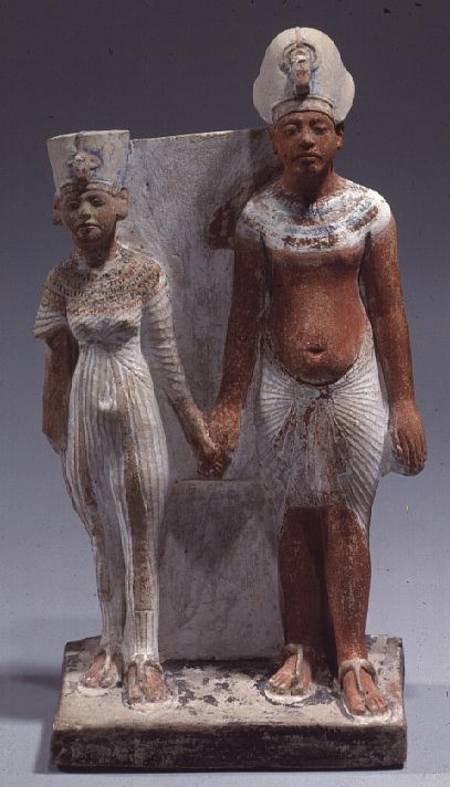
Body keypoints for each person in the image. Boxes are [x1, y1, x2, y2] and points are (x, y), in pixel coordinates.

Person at [201, 29, 427, 715]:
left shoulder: (369, 211)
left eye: (318, 128)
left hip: (354, 383)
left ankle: (351, 654)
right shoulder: (258, 217)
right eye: (292, 128)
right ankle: (299, 647)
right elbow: (244, 316)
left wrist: (405, 401)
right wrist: (229, 403)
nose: (305, 139)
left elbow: (388, 312)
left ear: (339, 137)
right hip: (281, 384)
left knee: (348, 514)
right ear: (274, 140)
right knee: (294, 517)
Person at [34, 130, 216, 705]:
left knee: (140, 535)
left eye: (96, 201)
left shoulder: (144, 273)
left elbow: (167, 359)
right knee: (100, 533)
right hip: (86, 409)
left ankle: (145, 653)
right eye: (73, 204)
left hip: (135, 405)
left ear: (121, 204)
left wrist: (194, 427)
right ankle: (111, 644)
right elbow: (58, 358)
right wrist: (56, 428)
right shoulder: (61, 280)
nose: (85, 215)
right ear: (59, 214)